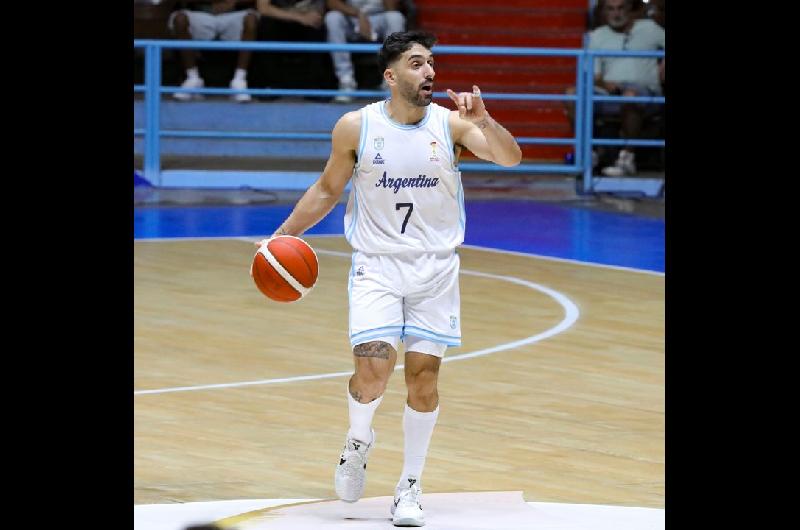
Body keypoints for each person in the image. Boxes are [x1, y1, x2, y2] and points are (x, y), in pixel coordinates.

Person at [251, 30, 521, 527]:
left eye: (432, 64)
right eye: (418, 64)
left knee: (423, 380)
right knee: (373, 374)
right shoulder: (357, 127)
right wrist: (280, 236)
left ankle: (409, 485)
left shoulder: (454, 124)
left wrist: (485, 120)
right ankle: (358, 439)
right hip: (376, 266)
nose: (430, 73)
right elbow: (328, 188)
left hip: (435, 270)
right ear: (391, 75)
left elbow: (510, 158)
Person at [564, 0, 664, 175]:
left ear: (629, 9)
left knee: (631, 95)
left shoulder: (650, 29)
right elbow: (594, 76)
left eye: (620, 8)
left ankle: (627, 158)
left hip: (645, 92)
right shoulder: (597, 36)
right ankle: (588, 155)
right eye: (610, 9)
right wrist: (606, 85)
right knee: (572, 95)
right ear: (604, 12)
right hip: (609, 92)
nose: (616, 14)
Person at [168, 0, 260, 102]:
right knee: (180, 19)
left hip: (234, 12)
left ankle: (239, 80)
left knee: (251, 19)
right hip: (199, 12)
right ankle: (193, 78)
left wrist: (233, 2)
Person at [324, 0, 407, 102]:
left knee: (395, 17)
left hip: (379, 19)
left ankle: (390, 83)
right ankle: (346, 82)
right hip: (351, 17)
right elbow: (332, 3)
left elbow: (391, 7)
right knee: (333, 17)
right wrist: (359, 15)